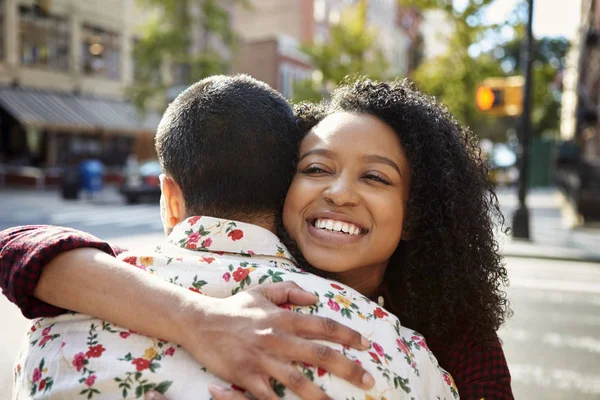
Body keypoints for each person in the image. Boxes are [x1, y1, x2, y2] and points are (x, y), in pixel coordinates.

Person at [1, 78, 514, 399]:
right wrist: (200, 320)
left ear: (420, 211)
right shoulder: (136, 283)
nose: (338, 193)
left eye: (375, 177)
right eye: (316, 168)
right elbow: (19, 248)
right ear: (282, 185)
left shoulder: (454, 342)